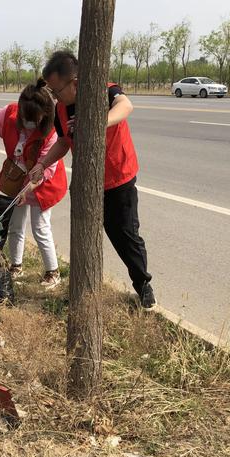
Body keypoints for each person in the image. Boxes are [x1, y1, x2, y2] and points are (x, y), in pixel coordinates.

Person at [30, 51, 156, 309]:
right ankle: (84, 289)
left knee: (125, 235)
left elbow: (126, 106)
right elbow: (64, 142)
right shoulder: (61, 109)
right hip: (87, 183)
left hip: (118, 177)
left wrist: (98, 122)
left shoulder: (105, 92)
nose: (54, 96)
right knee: (84, 235)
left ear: (74, 82)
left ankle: (142, 285)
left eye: (56, 90)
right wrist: (42, 164)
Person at [0, 80, 67, 289]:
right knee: (15, 225)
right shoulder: (10, 114)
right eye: (25, 119)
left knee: (40, 227)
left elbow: (45, 170)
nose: (27, 124)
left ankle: (53, 271)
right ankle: (16, 265)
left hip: (42, 184)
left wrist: (28, 189)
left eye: (33, 121)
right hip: (17, 182)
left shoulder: (52, 133)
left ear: (45, 115)